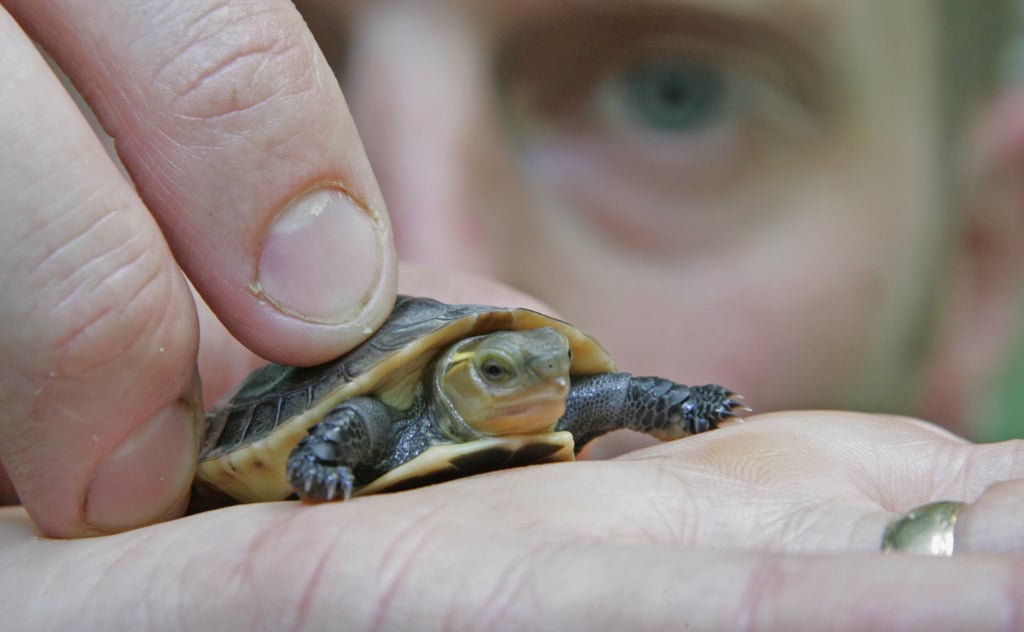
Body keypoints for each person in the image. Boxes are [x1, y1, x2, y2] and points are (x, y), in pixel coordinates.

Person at [0, 0, 1022, 628]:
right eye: (111, 106)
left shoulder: (546, 392)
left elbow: (607, 396)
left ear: (983, 263)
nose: (439, 243)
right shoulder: (374, 409)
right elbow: (351, 420)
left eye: (674, 91)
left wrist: (675, 404)